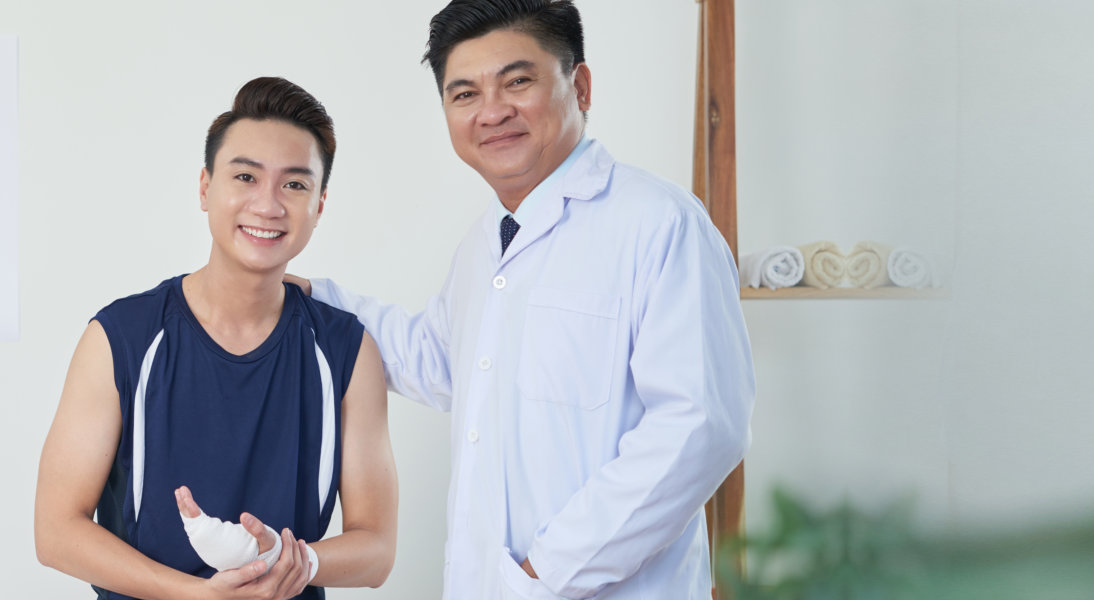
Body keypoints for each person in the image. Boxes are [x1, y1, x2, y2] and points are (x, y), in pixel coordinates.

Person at [295, 1, 754, 597]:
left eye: (517, 81)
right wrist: (313, 297)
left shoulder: (659, 224)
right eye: (464, 94)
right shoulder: (482, 246)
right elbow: (436, 359)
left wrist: (545, 571)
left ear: (580, 85)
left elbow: (701, 426)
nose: (492, 112)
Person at [35, 77, 398, 600]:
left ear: (320, 205)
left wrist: (289, 561)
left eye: (295, 185)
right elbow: (55, 531)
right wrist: (196, 594)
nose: (268, 204)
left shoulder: (346, 350)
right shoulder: (121, 337)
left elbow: (377, 550)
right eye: (246, 176)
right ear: (205, 188)